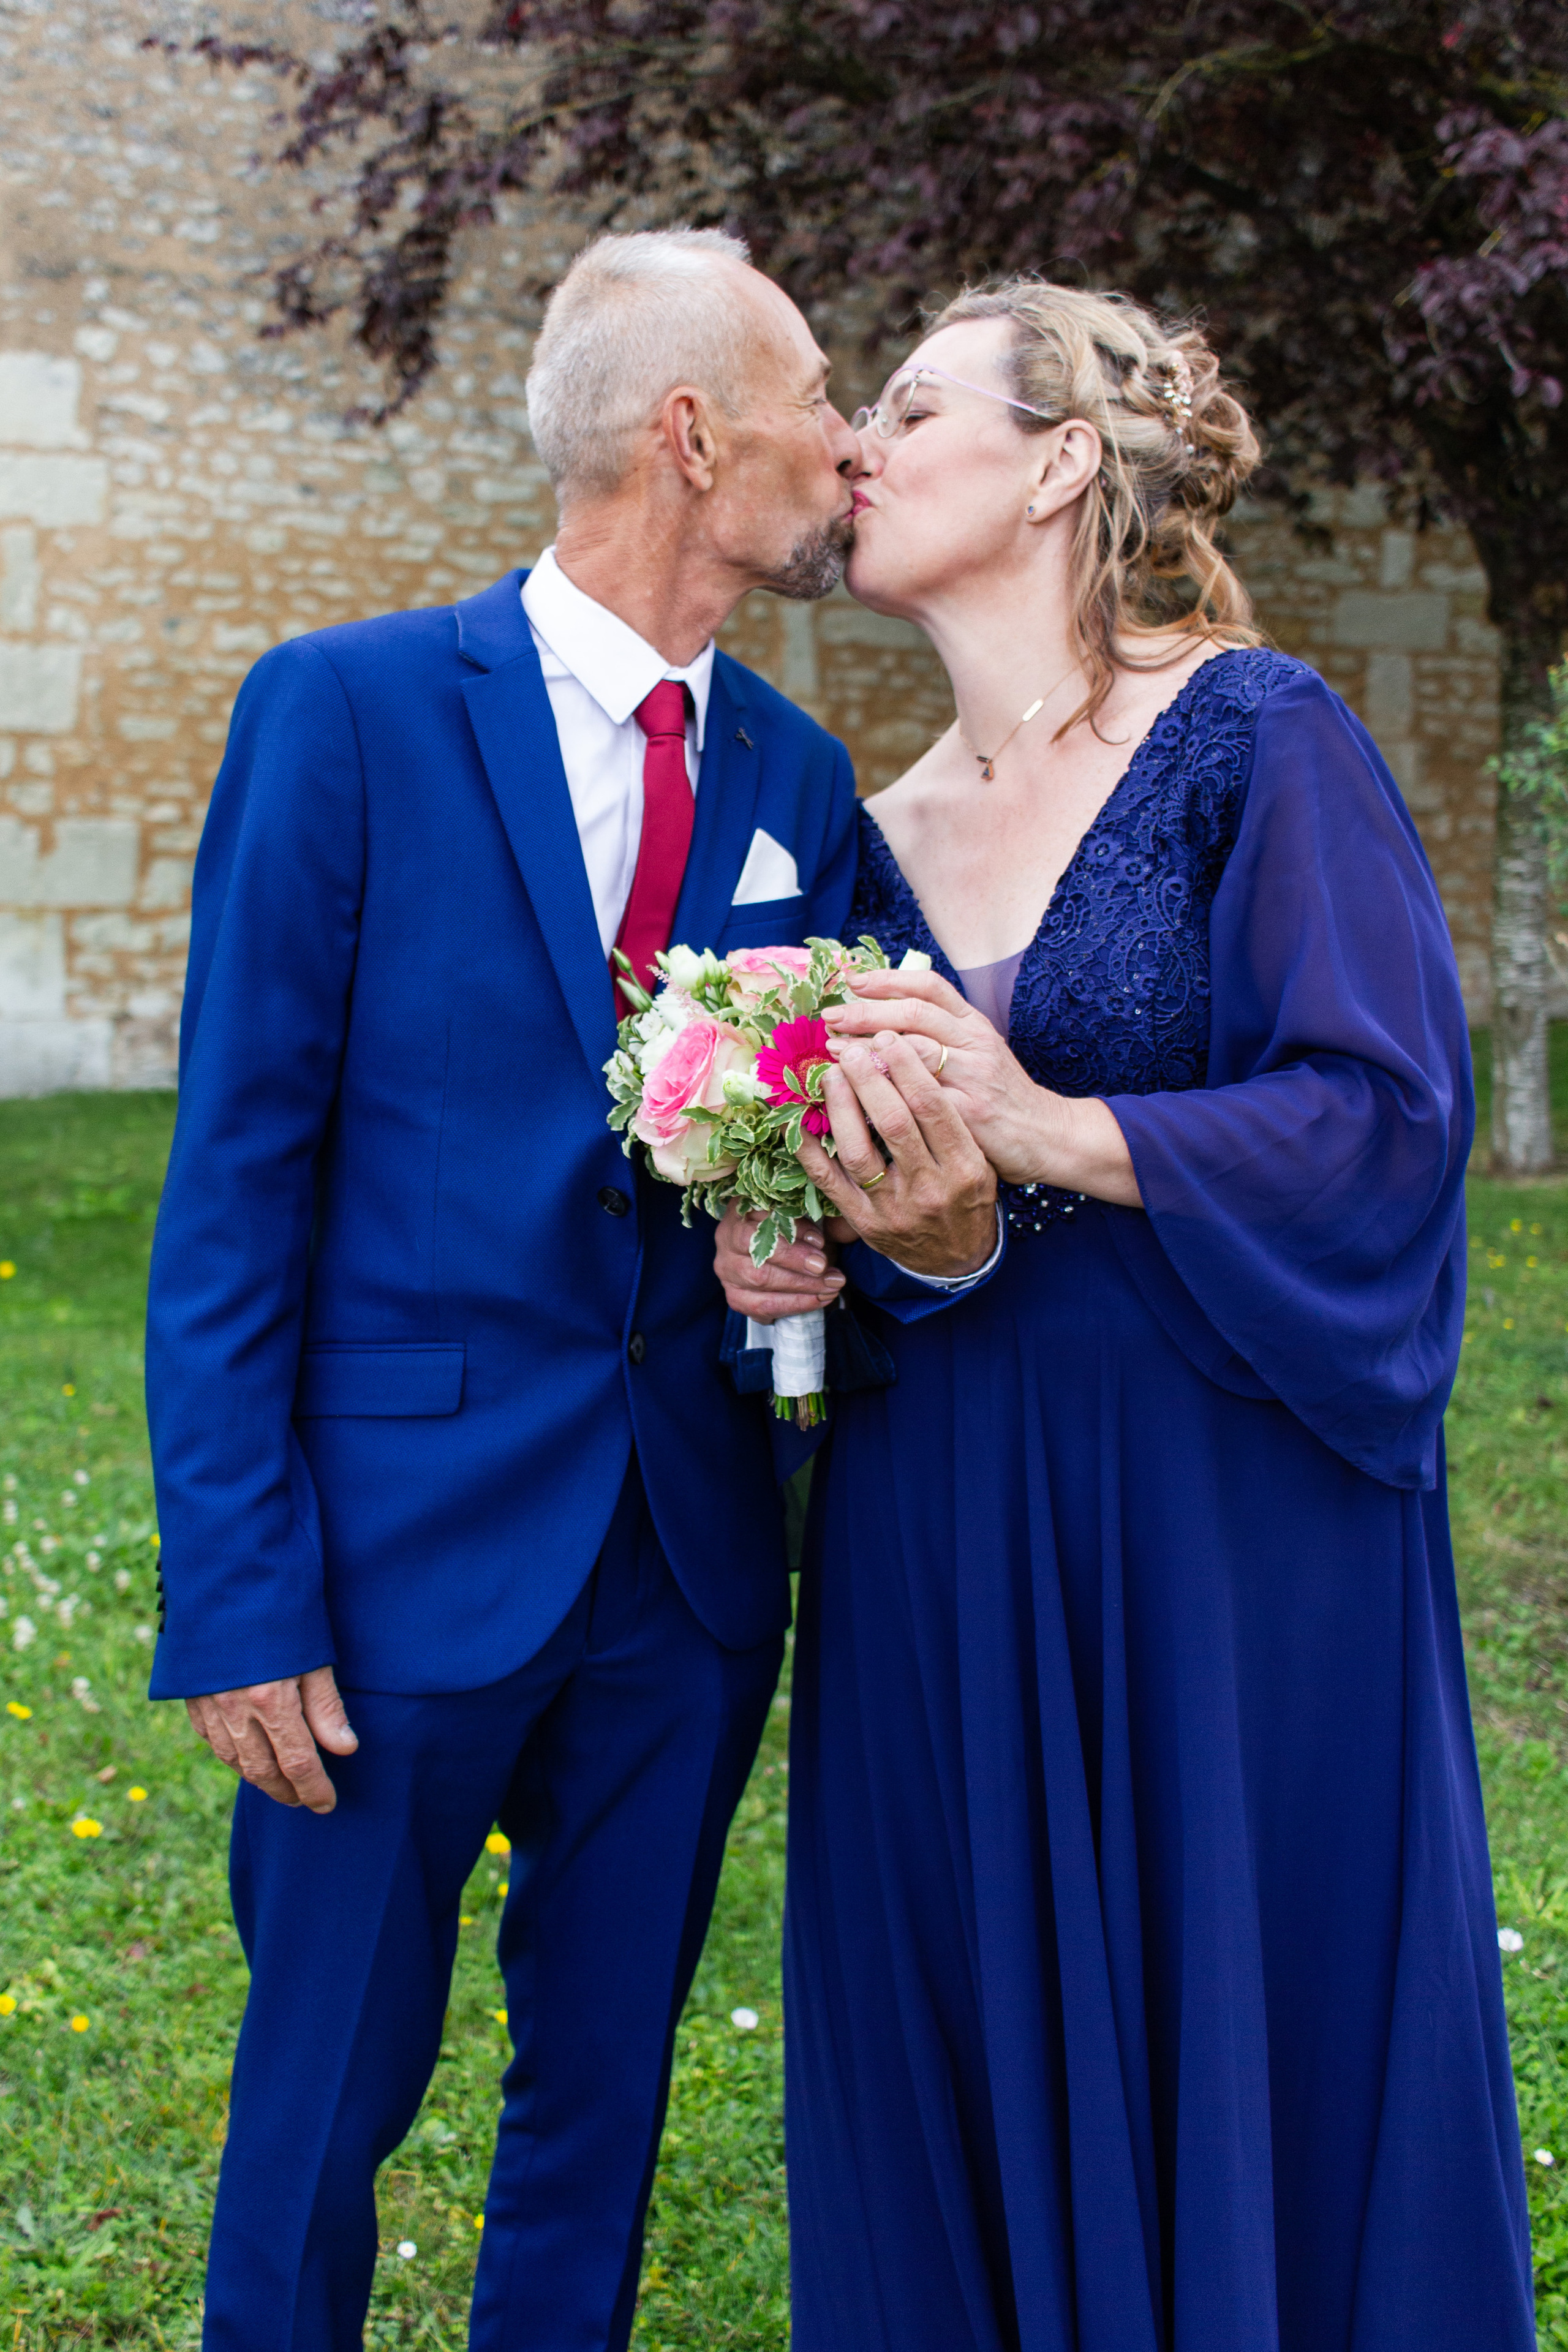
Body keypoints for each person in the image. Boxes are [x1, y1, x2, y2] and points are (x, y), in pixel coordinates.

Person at [144, 227, 985, 2352]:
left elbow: (872, 1094)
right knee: (319, 2111)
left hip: (687, 1572)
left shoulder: (799, 776)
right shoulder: (340, 716)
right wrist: (243, 1593)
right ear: (695, 435)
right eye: (822, 401)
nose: (853, 446)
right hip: (389, 1567)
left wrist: (816, 1234)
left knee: (600, 2112)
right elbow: (232, 1188)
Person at [717, 281, 1534, 2348]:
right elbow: (942, 1231)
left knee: (1242, 1994)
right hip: (947, 1521)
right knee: (963, 2012)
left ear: (1063, 461)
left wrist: (1054, 1125)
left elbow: (1384, 1119)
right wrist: (854, 1243)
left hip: (1224, 1512)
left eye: (908, 408)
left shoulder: (1257, 738)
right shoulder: (858, 844)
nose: (858, 451)